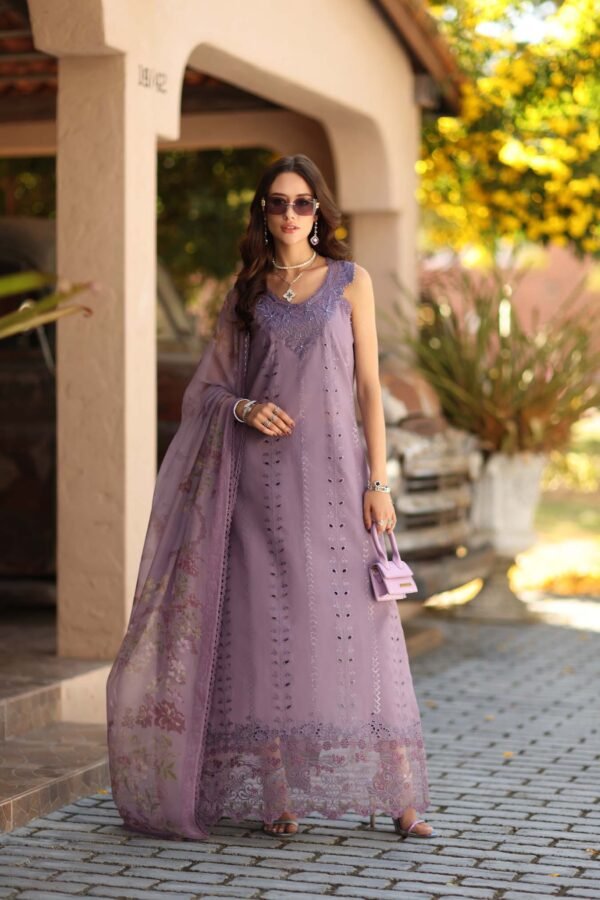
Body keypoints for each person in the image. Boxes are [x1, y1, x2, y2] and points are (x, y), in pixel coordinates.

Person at [106, 153, 434, 843]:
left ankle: (400, 795)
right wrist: (245, 408)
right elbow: (207, 390)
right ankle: (275, 794)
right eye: (278, 203)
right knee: (266, 630)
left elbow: (369, 388)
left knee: (364, 624)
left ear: (319, 212)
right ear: (263, 212)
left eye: (302, 203)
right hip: (259, 489)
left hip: (339, 481)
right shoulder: (246, 294)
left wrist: (379, 482)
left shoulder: (351, 281)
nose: (290, 214)